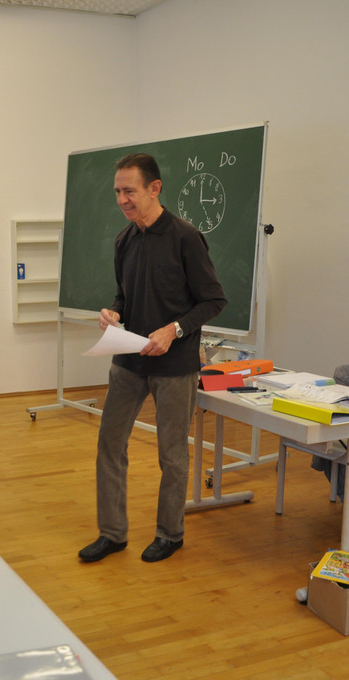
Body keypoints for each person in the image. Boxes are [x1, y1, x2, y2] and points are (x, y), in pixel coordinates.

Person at [78, 153, 227, 564]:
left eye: (129, 191)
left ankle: (170, 533)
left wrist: (174, 329)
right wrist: (112, 313)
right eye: (117, 192)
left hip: (174, 367)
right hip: (129, 361)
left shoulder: (186, 237)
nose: (122, 200)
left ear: (154, 188)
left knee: (172, 453)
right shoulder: (123, 241)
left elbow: (214, 300)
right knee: (109, 445)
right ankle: (112, 533)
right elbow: (124, 296)